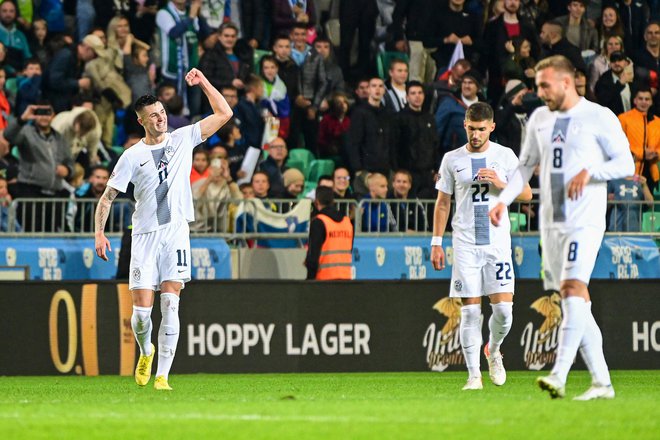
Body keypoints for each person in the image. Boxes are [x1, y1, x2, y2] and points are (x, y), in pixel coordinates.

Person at [489, 55, 635, 400]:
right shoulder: (540, 118)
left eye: (544, 85)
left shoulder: (598, 116)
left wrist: (591, 173)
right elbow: (525, 167)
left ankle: (559, 375)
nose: (540, 93)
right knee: (576, 300)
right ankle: (602, 383)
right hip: (551, 223)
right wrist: (503, 200)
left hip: (584, 220)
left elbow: (626, 162)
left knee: (571, 288)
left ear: (566, 82)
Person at [94, 68, 233, 391]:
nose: (160, 119)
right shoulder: (132, 156)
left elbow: (224, 113)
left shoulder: (183, 138)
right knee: (142, 315)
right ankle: (146, 352)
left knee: (171, 301)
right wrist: (99, 233)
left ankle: (163, 376)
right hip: (143, 236)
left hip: (176, 232)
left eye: (162, 113)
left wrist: (204, 82)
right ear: (141, 121)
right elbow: (108, 196)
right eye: (153, 116)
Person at [431, 101, 532, 391]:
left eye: (481, 129)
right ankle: (473, 375)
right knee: (470, 312)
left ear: (491, 127)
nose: (475, 135)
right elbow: (443, 203)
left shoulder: (504, 155)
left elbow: (525, 193)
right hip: (465, 245)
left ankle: (494, 349)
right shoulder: (452, 159)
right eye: (471, 129)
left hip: (498, 244)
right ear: (465, 125)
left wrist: (501, 183)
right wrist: (436, 242)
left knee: (504, 312)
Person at [305, 186, 353, 280]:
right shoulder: (347, 222)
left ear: (317, 202)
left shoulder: (318, 222)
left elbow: (313, 254)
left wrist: (309, 279)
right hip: (346, 277)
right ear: (332, 201)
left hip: (324, 279)